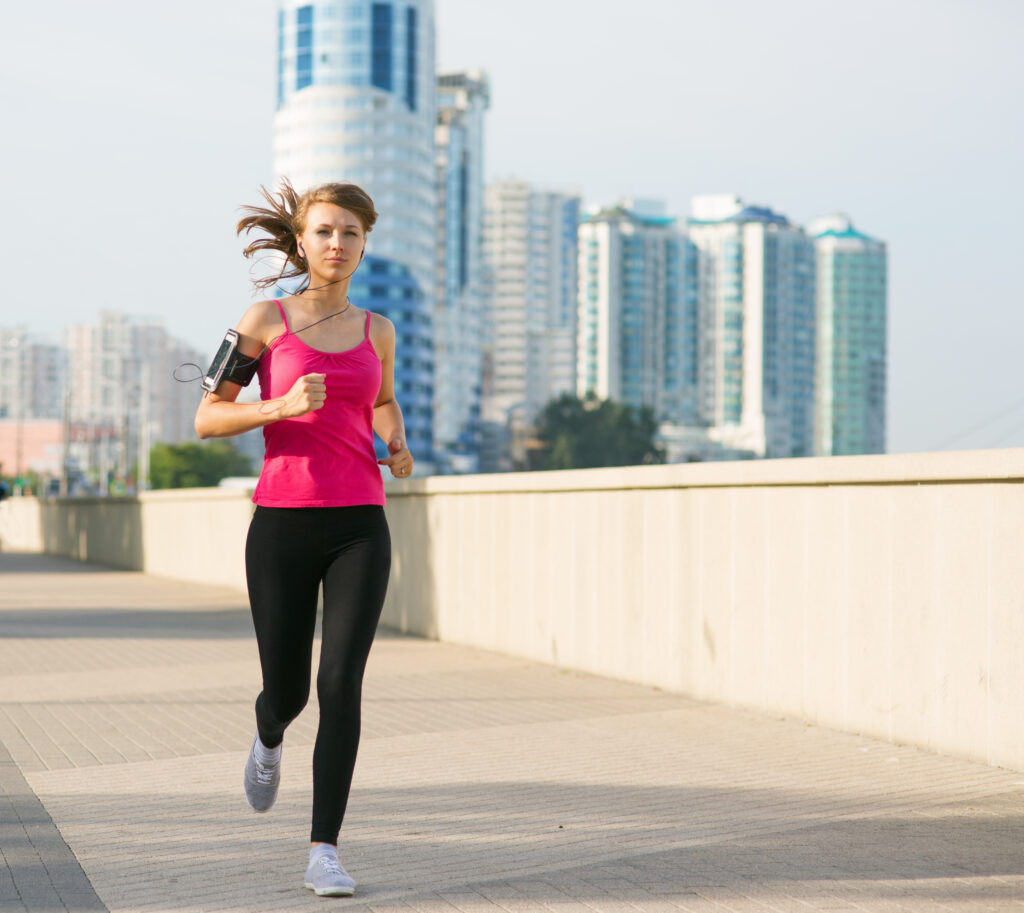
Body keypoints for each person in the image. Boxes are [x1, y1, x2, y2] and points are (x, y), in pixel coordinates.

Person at [194, 179, 412, 897]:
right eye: (324, 231)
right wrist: (280, 405)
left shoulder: (377, 329)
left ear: (363, 243)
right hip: (282, 524)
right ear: (301, 239)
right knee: (287, 690)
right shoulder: (265, 319)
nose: (337, 244)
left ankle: (324, 848)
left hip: (359, 523)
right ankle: (268, 733)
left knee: (341, 683)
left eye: (350, 233)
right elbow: (207, 417)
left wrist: (396, 440)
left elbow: (380, 398)